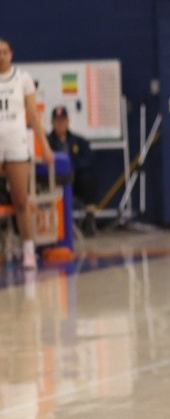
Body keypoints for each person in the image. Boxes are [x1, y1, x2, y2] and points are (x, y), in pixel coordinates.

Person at [0, 39, 49, 268]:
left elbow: (33, 115)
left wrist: (45, 147)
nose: (1, 56)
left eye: (4, 52)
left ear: (11, 54)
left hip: (16, 144)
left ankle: (28, 249)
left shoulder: (23, 79)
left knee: (20, 200)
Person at [45, 106, 98, 231]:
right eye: (57, 121)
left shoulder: (79, 141)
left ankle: (89, 218)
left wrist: (72, 167)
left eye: (63, 121)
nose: (60, 124)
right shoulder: (47, 142)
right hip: (54, 180)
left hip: (75, 179)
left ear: (68, 121)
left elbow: (88, 160)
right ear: (52, 123)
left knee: (89, 177)